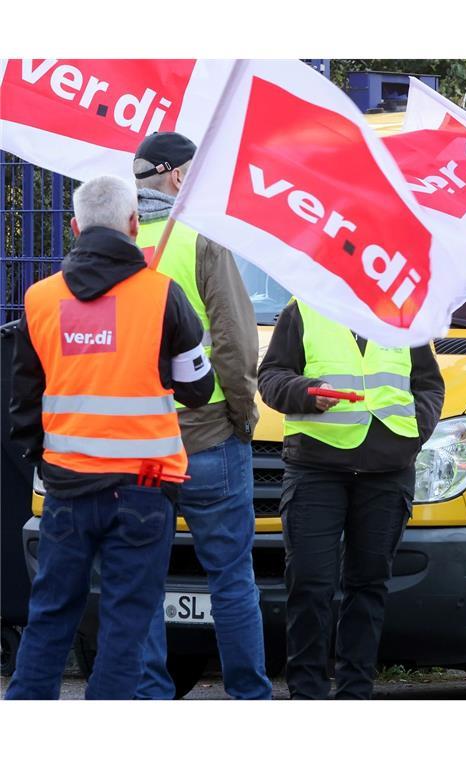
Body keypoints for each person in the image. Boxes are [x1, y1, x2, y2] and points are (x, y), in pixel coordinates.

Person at [7, 175, 215, 699]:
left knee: (51, 614)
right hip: (145, 486)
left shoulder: (40, 299)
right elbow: (198, 391)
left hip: (68, 486)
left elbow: (23, 406)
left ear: (75, 227)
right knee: (125, 626)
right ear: (131, 224)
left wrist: (50, 460)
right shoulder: (163, 294)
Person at [131, 131, 271, 699]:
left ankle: (148, 696)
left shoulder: (109, 239)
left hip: (135, 441)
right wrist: (242, 415)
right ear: (179, 176)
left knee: (140, 580)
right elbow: (236, 342)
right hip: (206, 435)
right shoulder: (202, 237)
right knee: (232, 579)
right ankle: (248, 696)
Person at [257, 300, 444, 699]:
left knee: (369, 585)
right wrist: (305, 392)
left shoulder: (402, 313)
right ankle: (307, 693)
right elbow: (270, 376)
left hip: (387, 471)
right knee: (310, 584)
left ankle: (356, 693)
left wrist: (415, 431)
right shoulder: (304, 307)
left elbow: (429, 384)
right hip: (317, 468)